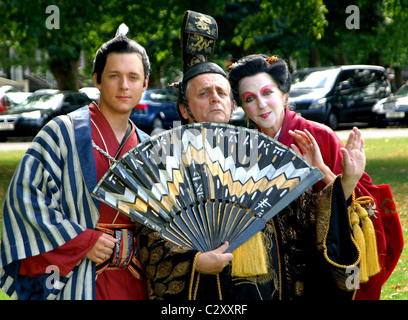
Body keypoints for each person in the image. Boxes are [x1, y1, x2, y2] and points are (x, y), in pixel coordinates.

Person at [136, 11, 364, 300]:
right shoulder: (165, 162)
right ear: (184, 109)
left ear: (233, 106)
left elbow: (305, 220)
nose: (215, 98)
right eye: (204, 93)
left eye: (222, 92)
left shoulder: (263, 154)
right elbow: (150, 237)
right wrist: (194, 262)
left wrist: (345, 181)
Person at [228, 54, 404, 299]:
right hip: (270, 270)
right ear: (242, 107)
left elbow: (353, 208)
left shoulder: (319, 136)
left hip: (318, 265)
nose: (261, 104)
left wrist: (325, 171)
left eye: (267, 93)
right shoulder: (244, 149)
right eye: (249, 98)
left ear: (284, 95)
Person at [0, 30, 151, 299]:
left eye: (133, 77)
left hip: (137, 279)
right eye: (114, 76)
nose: (124, 86)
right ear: (97, 80)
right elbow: (25, 200)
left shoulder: (149, 146)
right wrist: (82, 242)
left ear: (145, 84)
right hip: (81, 278)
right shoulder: (61, 132)